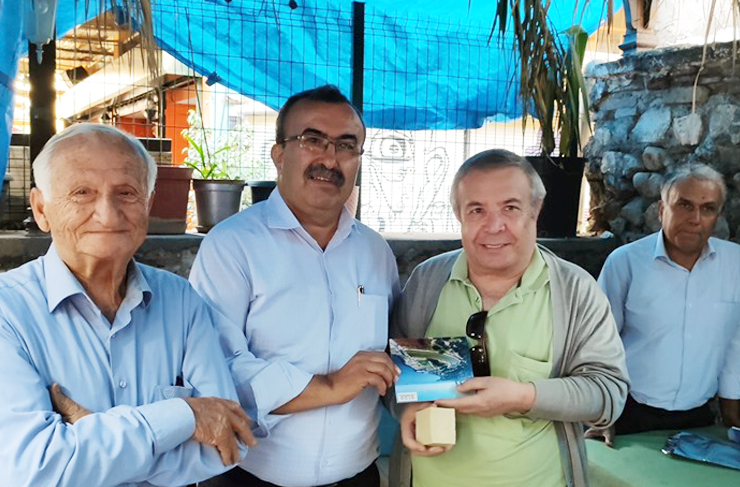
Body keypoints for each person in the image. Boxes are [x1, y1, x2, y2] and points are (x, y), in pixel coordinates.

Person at [0, 123, 256, 487]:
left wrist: (90, 440)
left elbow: (228, 443)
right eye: (82, 193)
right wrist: (183, 416)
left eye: (126, 193)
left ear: (148, 205)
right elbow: (34, 470)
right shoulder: (8, 311)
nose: (107, 214)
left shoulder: (181, 301)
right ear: (41, 210)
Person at [190, 85, 400, 487]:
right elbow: (216, 368)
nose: (330, 159)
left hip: (358, 476)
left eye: (346, 145)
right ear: (279, 154)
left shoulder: (375, 252)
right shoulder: (232, 245)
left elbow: (393, 355)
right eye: (312, 140)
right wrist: (330, 386)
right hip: (250, 477)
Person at [390, 149, 629, 487]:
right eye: (477, 210)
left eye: (510, 208)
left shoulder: (575, 291)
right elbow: (395, 374)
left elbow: (608, 394)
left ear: (536, 209)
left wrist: (524, 396)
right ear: (459, 215)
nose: (494, 226)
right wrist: (405, 409)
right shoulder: (427, 281)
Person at [592, 163, 740, 446]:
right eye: (684, 205)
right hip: (627, 413)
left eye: (708, 209)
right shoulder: (626, 262)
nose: (695, 219)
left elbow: (735, 343)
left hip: (698, 418)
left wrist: (732, 416)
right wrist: (601, 413)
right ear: (662, 210)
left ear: (717, 217)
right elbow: (598, 343)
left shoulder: (735, 265)